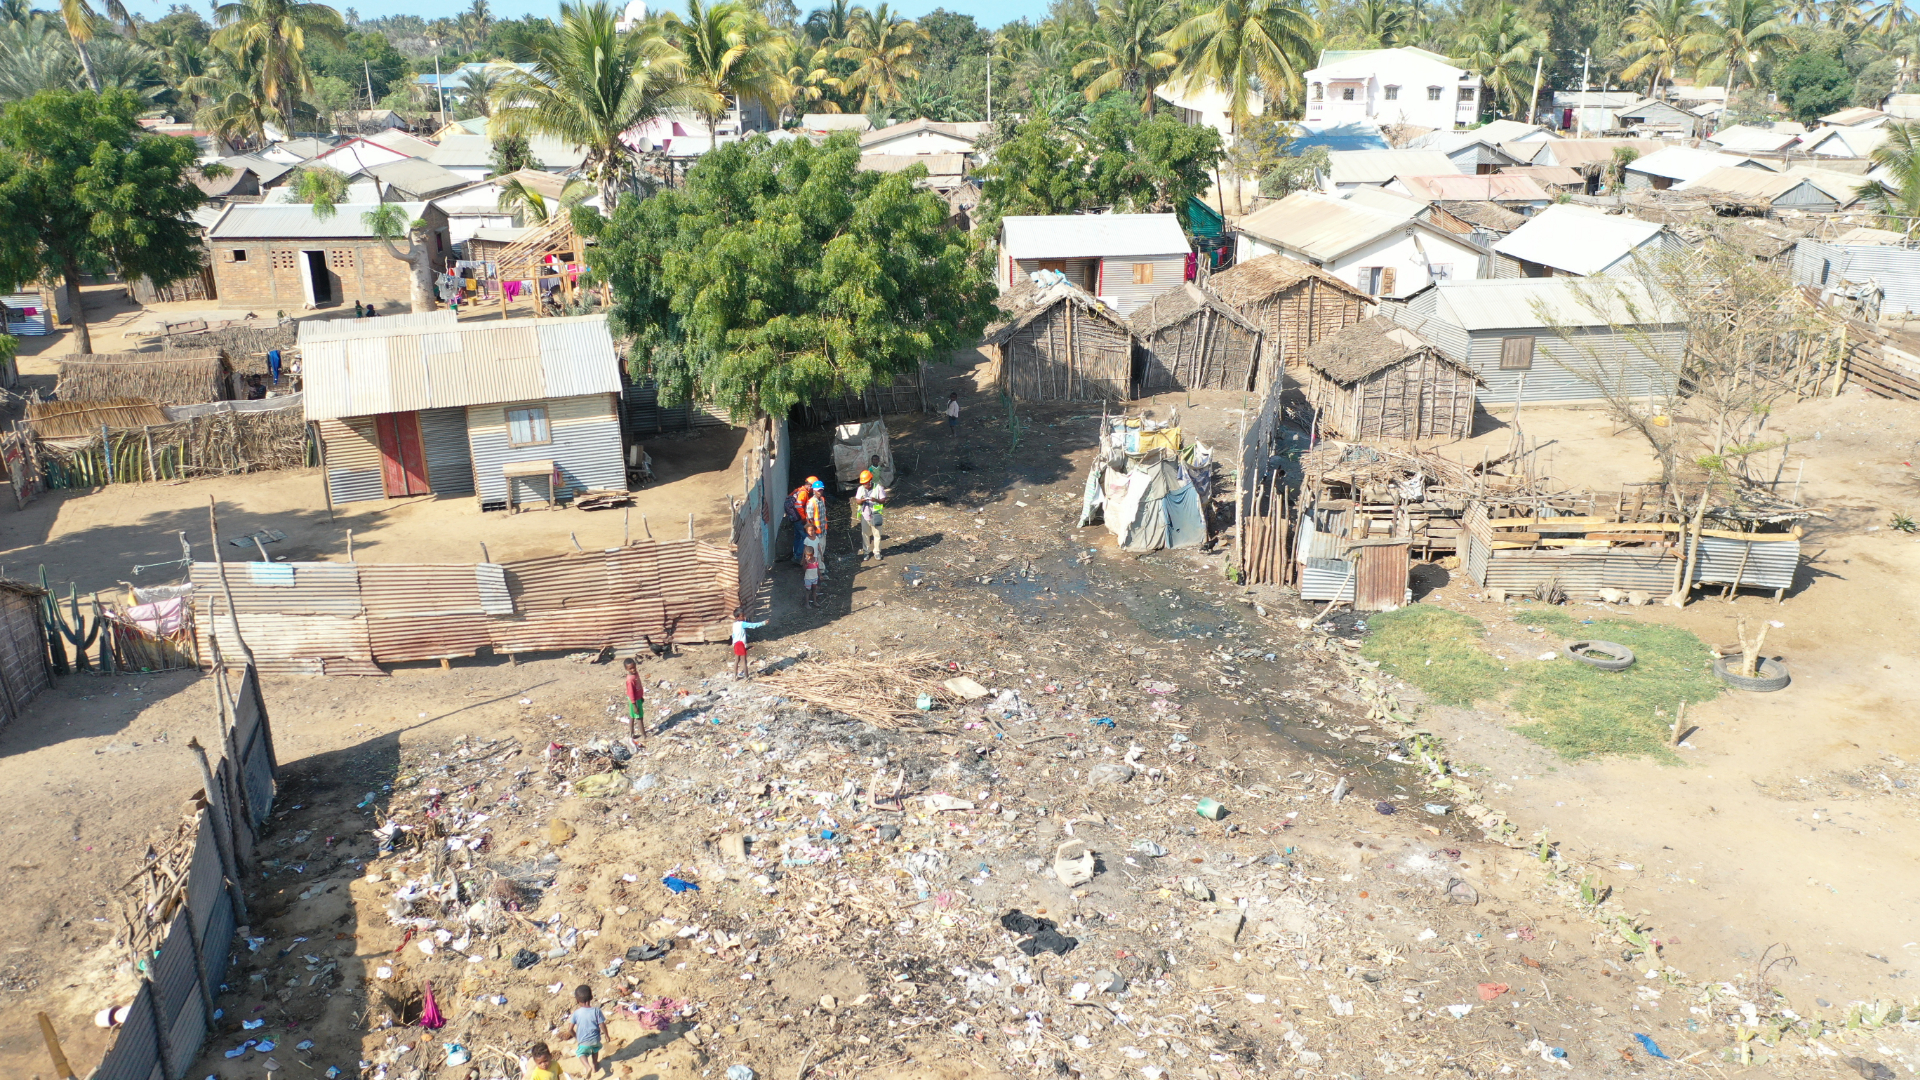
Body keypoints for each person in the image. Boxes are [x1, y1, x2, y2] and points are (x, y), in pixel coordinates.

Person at [561, 985, 605, 1076]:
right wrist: (607, 1035)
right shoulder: (597, 1011)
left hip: (583, 1041)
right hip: (596, 1039)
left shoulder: (576, 1013)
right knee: (595, 1050)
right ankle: (594, 1066)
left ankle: (587, 1066)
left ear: (577, 1001)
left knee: (581, 1053)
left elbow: (570, 1029)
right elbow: (602, 1025)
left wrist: (577, 1037)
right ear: (592, 997)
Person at [853, 468, 886, 562]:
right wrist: (862, 500)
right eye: (863, 483)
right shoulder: (860, 489)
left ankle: (877, 552)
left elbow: (883, 500)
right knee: (865, 535)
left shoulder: (878, 487)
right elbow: (858, 501)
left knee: (877, 534)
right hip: (865, 515)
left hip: (875, 515)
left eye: (866, 483)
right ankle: (866, 552)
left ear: (870, 480)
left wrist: (875, 500)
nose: (865, 485)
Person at [730, 606, 768, 678]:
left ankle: (735, 676)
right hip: (740, 644)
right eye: (742, 616)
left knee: (736, 660)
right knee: (744, 661)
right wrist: (763, 623)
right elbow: (752, 625)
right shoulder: (742, 624)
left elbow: (735, 635)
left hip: (736, 644)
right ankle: (746, 677)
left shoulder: (734, 624)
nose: (744, 617)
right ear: (737, 617)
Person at [803, 476, 828, 578]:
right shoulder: (811, 503)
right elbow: (809, 519)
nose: (820, 492)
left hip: (822, 530)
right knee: (818, 551)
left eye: (821, 490)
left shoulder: (821, 500)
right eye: (818, 490)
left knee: (822, 549)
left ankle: (819, 569)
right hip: (816, 532)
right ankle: (820, 570)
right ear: (814, 491)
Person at [785, 479, 814, 563]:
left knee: (797, 536)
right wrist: (804, 518)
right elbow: (798, 505)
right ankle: (798, 556)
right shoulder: (803, 493)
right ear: (809, 485)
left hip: (793, 518)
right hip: (798, 519)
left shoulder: (797, 490)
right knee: (805, 537)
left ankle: (795, 554)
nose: (812, 490)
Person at [621, 657, 644, 739]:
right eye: (630, 668)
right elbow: (631, 693)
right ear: (626, 669)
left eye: (634, 667)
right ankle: (644, 736)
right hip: (634, 700)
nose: (633, 669)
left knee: (632, 716)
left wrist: (641, 696)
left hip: (637, 698)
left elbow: (638, 686)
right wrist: (634, 705)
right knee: (639, 717)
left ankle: (631, 734)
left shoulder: (635, 674)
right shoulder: (630, 680)